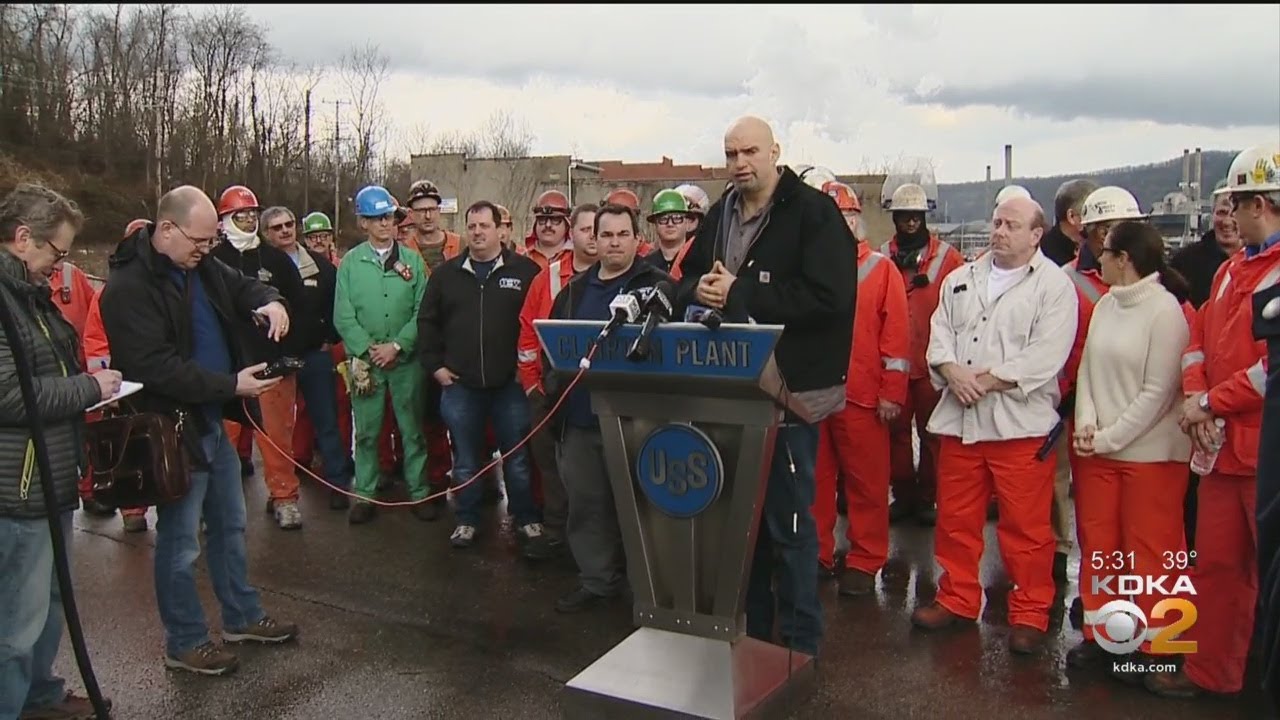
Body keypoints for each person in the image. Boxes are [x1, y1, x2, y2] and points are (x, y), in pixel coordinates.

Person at [675, 116, 857, 656]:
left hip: (790, 395)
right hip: (730, 394)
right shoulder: (719, 215)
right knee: (742, 527)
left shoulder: (814, 214)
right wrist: (698, 291)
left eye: (750, 152)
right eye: (731, 154)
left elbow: (830, 300)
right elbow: (686, 278)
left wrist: (742, 292)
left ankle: (801, 646)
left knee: (791, 527)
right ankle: (752, 635)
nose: (739, 163)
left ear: (775, 151)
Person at [99, 185, 298, 676]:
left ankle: (242, 616)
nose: (207, 250)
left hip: (210, 420)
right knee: (181, 540)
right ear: (167, 229)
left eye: (213, 242)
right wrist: (231, 384)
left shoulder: (201, 264)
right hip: (171, 428)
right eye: (201, 241)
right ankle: (185, 640)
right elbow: (155, 368)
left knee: (230, 524)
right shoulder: (128, 288)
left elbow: (242, 284)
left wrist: (271, 301)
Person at [912, 195, 1078, 655]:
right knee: (955, 519)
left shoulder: (1054, 287)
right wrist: (952, 372)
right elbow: (939, 337)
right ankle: (957, 597)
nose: (1000, 231)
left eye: (1012, 225)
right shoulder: (960, 279)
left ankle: (1031, 612)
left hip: (1019, 429)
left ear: (1037, 234)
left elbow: (1046, 356)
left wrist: (982, 381)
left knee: (1026, 529)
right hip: (961, 422)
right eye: (997, 222)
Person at [1152, 142, 1280, 698]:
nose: (1226, 216)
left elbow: (1271, 369)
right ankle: (1212, 673)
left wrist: (1209, 403)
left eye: (1235, 205)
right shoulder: (1231, 271)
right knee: (1218, 567)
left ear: (1259, 205)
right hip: (1225, 452)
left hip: (1265, 454)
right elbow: (1198, 341)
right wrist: (1197, 397)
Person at [0, 183, 120, 720]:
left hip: (49, 476)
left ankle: (38, 695)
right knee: (15, 621)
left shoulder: (29, 295)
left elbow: (48, 368)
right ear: (23, 237)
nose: (61, 265)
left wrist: (87, 379)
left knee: (49, 602)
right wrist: (88, 389)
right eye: (57, 251)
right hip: (18, 486)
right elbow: (10, 394)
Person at [1067, 221, 1193, 680]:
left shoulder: (1165, 312)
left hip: (1150, 458)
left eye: (1104, 254)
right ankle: (1105, 637)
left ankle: (1163, 647)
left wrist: (1108, 438)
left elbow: (1158, 393)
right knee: (1101, 550)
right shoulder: (1106, 305)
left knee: (1153, 554)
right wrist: (1086, 424)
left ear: (1124, 260)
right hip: (1100, 453)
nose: (1097, 260)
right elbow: (1087, 371)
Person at [542, 203, 673, 611]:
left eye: (622, 235)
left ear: (637, 239)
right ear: (593, 240)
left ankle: (648, 592)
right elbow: (551, 351)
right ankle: (597, 581)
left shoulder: (661, 287)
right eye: (606, 235)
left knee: (644, 510)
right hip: (581, 422)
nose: (614, 243)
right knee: (587, 506)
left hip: (639, 423)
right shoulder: (572, 293)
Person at [418, 201, 547, 556]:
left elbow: (538, 322)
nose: (477, 232)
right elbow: (426, 322)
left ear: (500, 229)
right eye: (471, 226)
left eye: (484, 226)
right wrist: (435, 366)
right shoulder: (446, 275)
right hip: (461, 385)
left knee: (517, 458)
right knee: (465, 459)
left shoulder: (525, 272)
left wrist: (528, 372)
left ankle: (526, 518)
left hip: (510, 386)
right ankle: (467, 518)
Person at [210, 185, 309, 530]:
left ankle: (284, 497)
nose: (250, 220)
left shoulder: (276, 260)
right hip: (225, 368)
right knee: (221, 442)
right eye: (242, 216)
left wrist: (291, 352)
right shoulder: (211, 261)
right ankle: (216, 506)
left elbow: (299, 307)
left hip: (270, 364)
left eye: (253, 214)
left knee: (277, 437)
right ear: (226, 220)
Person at [333, 185, 434, 524]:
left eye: (389, 217)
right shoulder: (350, 264)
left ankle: (419, 492)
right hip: (366, 362)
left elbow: (423, 310)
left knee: (413, 430)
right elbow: (343, 315)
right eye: (376, 219)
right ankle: (365, 493)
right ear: (363, 222)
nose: (385, 224)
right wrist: (366, 349)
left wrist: (399, 345)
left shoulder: (412, 260)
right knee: (366, 432)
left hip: (405, 361)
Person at [260, 206, 351, 511]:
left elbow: (337, 306)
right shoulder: (259, 267)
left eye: (288, 224)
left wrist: (329, 339)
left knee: (327, 421)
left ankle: (337, 483)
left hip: (315, 355)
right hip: (275, 358)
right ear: (266, 233)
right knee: (277, 429)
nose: (285, 231)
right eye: (277, 227)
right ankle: (281, 493)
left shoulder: (322, 267)